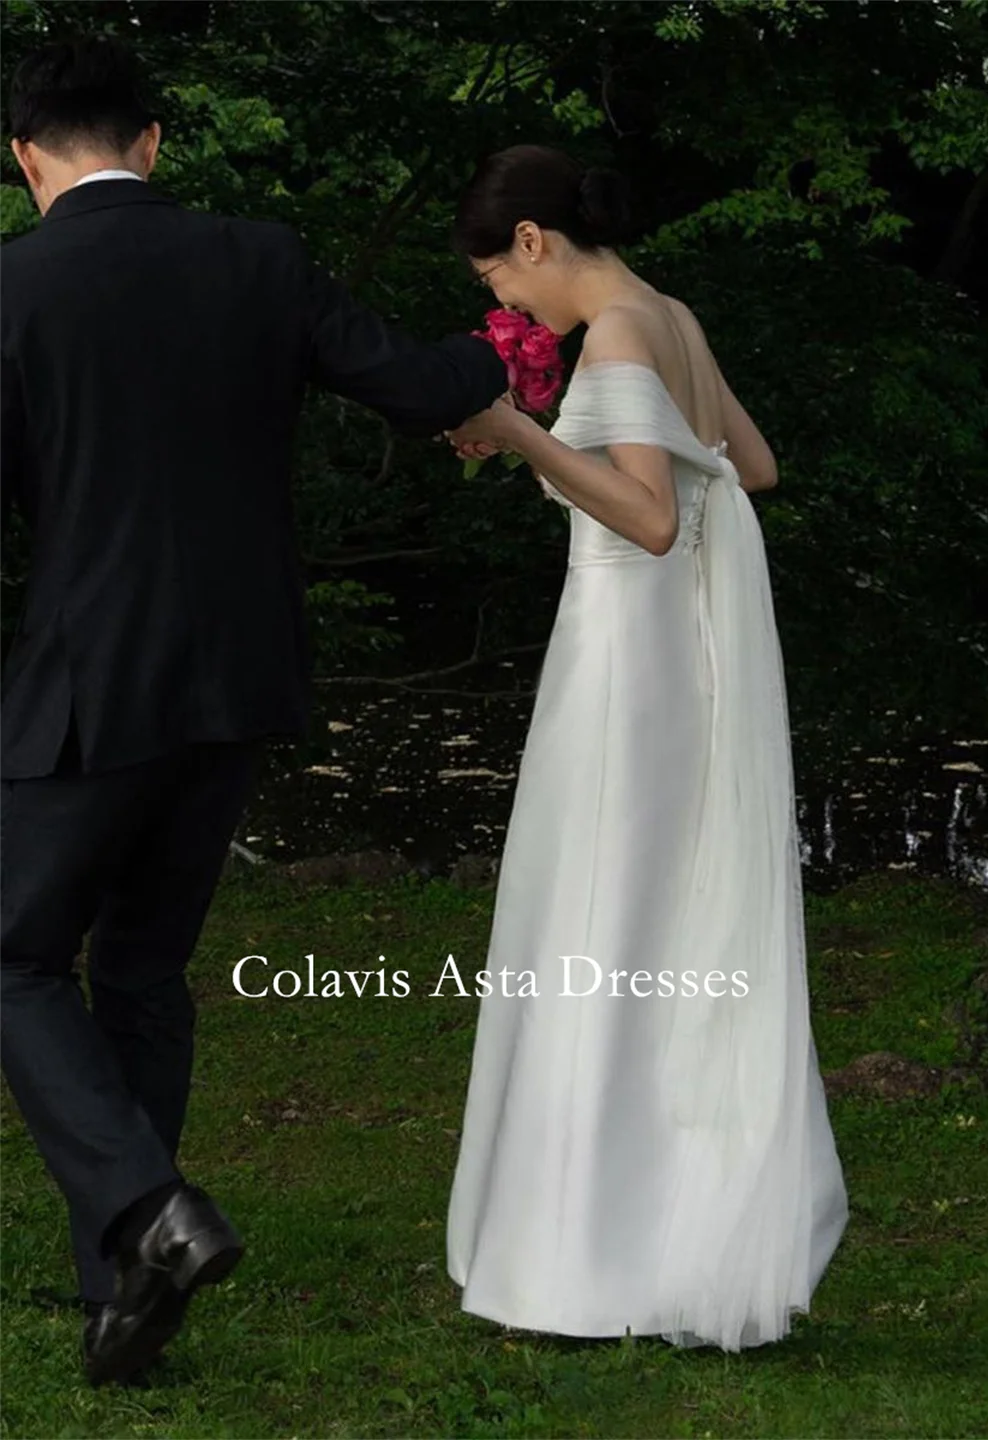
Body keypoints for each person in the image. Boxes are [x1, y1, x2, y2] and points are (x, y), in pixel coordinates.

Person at [0, 35, 508, 1386]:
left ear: (24, 155)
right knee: (146, 969)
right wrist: (519, 334)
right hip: (238, 678)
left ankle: (147, 1213)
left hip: (84, 682)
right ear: (156, 142)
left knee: (15, 959)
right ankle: (123, 1292)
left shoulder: (12, 287)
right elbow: (419, 385)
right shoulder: (258, 259)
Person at [443, 145, 849, 1349]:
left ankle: (591, 1245)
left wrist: (519, 434)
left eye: (499, 283)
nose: (506, 308)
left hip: (629, 656)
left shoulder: (617, 336)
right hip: (692, 661)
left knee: (604, 910)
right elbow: (752, 469)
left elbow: (653, 518)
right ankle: (672, 1217)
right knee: (660, 912)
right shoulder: (671, 314)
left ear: (531, 241)